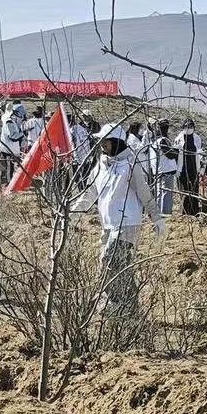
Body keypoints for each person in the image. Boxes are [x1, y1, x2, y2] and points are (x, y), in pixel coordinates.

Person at [72, 125, 158, 303]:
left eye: (106, 141)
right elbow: (89, 195)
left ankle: (117, 305)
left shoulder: (130, 164)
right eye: (101, 141)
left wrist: (156, 216)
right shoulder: (101, 166)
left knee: (110, 261)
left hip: (127, 223)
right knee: (117, 269)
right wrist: (71, 215)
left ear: (116, 142)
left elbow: (143, 191)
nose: (102, 145)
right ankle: (127, 307)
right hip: (108, 225)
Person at [150, 120, 178, 219]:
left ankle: (158, 214)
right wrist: (177, 151)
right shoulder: (163, 140)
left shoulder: (154, 141)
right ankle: (166, 215)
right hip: (166, 170)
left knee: (159, 193)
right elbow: (169, 154)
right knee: (166, 193)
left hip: (158, 171)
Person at [176, 119, 203, 216]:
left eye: (191, 126)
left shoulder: (197, 138)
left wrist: (201, 168)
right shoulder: (179, 138)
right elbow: (176, 153)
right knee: (185, 191)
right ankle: (184, 214)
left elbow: (199, 153)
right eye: (187, 126)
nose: (189, 128)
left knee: (194, 190)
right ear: (183, 127)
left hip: (194, 168)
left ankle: (194, 213)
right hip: (183, 169)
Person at [0, 104, 26, 185]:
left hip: (11, 149)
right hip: (7, 149)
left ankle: (10, 183)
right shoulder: (9, 122)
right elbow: (13, 137)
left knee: (11, 167)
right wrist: (22, 134)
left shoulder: (13, 121)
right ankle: (9, 184)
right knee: (9, 168)